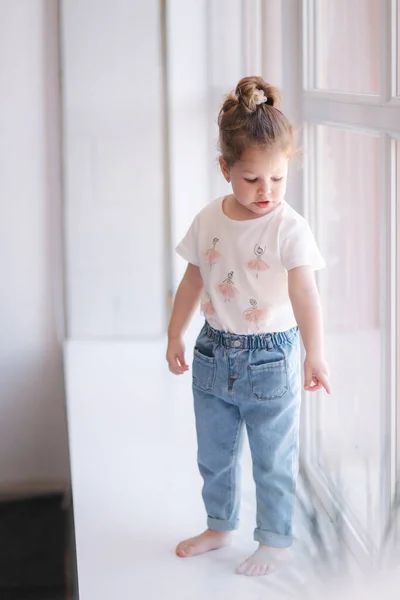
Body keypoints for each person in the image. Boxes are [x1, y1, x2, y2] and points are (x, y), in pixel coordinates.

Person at [166, 75, 331, 577]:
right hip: (214, 353)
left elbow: (306, 293)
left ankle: (275, 540)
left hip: (271, 359)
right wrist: (175, 333)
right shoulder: (208, 220)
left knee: (272, 460)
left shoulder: (290, 227)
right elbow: (193, 280)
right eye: (252, 179)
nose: (266, 192)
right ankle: (219, 526)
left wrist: (315, 353)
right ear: (225, 169)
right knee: (214, 454)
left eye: (277, 179)